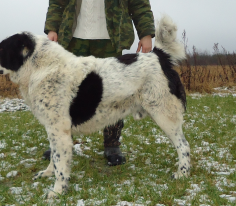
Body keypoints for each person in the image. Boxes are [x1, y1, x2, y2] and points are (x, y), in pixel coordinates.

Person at [43, 0, 155, 166]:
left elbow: (139, 3)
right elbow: (57, 2)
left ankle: (112, 144)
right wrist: (52, 27)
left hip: (110, 38)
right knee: (67, 93)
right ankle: (61, 141)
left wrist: (145, 34)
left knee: (113, 93)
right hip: (72, 36)